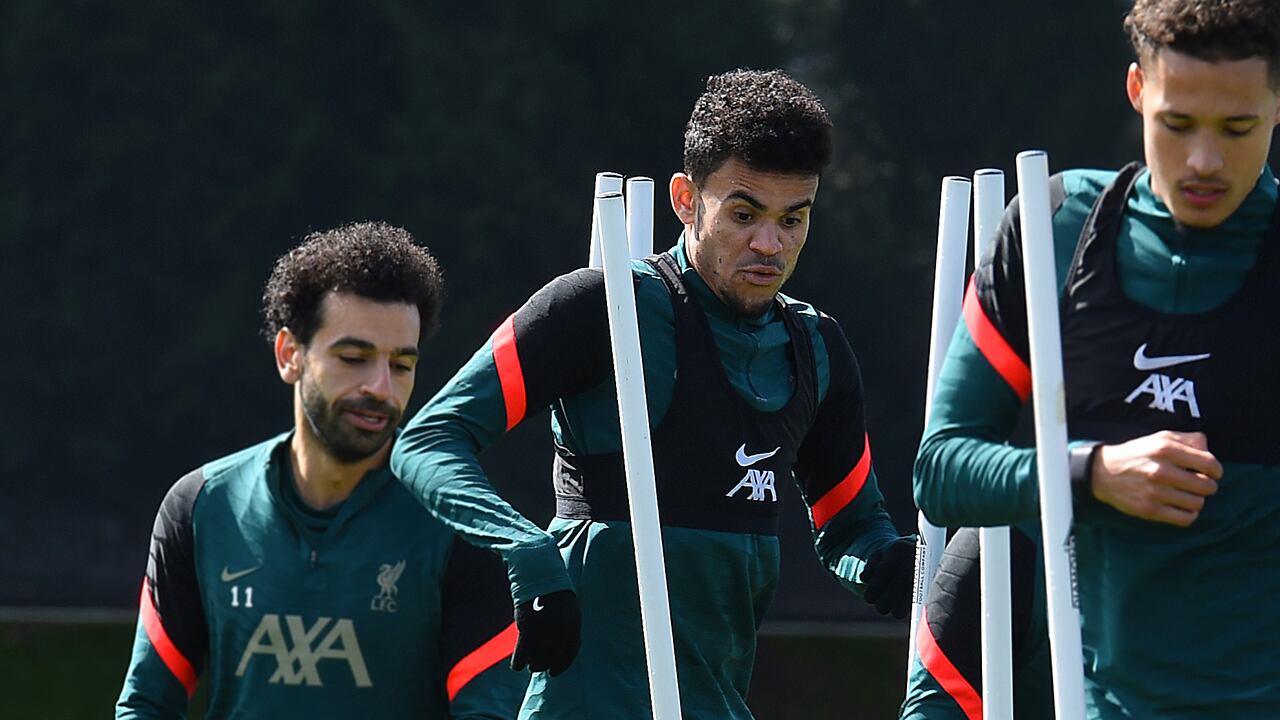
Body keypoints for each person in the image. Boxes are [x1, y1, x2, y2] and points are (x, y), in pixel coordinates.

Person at [389, 69, 915, 719]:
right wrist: (525, 551)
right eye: (744, 214)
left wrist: (893, 567)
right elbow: (428, 440)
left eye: (793, 219)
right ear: (686, 199)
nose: (769, 245)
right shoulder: (602, 306)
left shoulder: (817, 349)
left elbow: (853, 529)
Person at [908, 0, 1280, 717]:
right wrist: (1091, 472)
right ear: (1138, 91)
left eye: (1237, 129)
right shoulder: (1055, 226)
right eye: (1177, 125)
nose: (1205, 160)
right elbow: (942, 468)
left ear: (1276, 104)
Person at [116, 222, 527, 719]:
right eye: (353, 358)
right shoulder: (200, 506)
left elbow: (492, 713)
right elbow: (146, 706)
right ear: (290, 355)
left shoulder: (462, 523)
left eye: (401, 365)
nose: (380, 387)